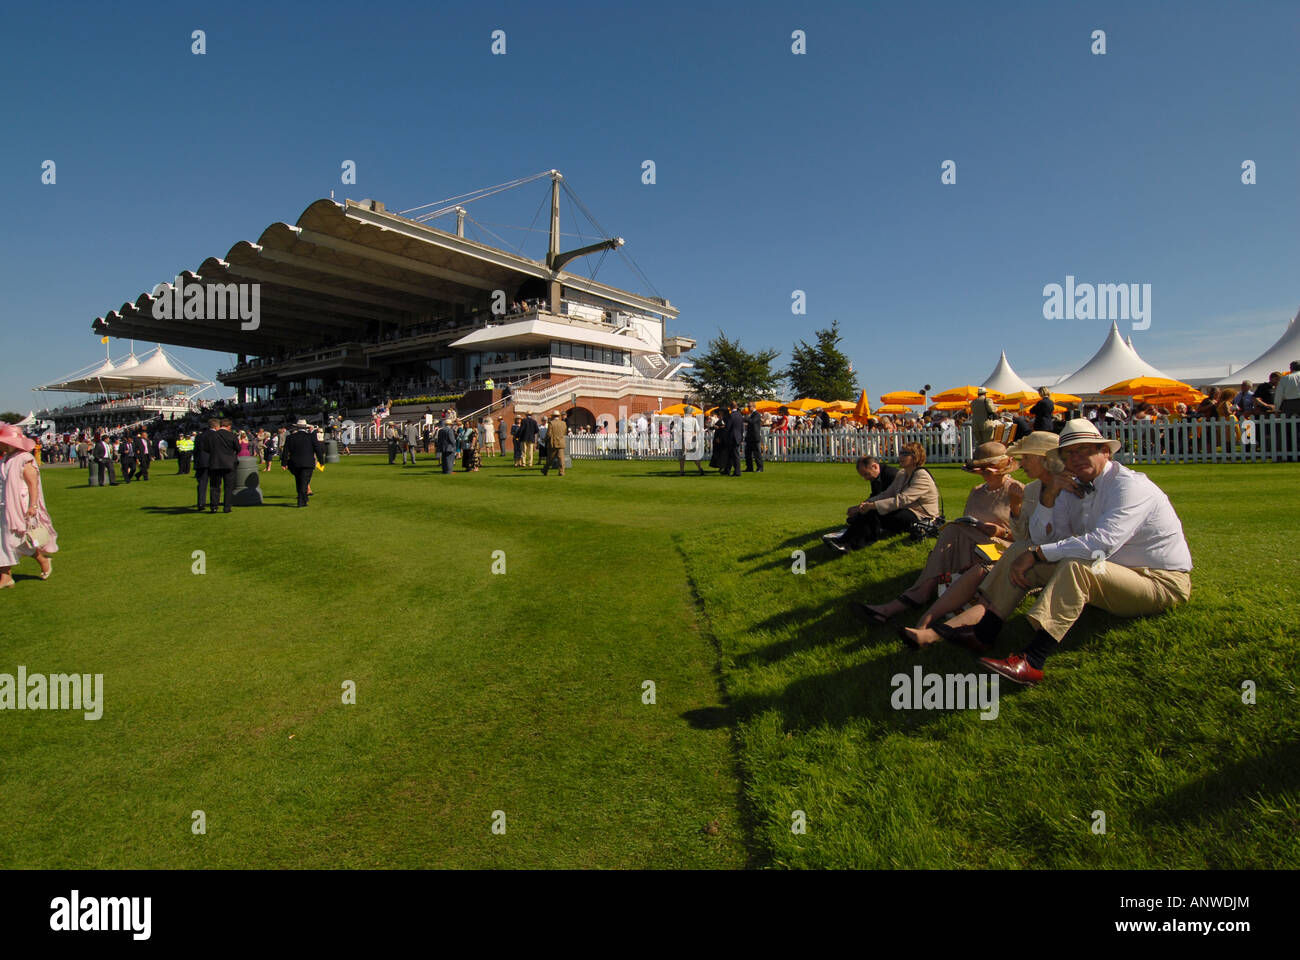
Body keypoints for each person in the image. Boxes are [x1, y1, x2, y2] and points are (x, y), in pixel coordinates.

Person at [927, 419, 1193, 685]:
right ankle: (984, 633)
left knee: (1075, 565)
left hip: (1159, 581)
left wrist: (1038, 554)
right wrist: (1049, 497)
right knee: (1023, 547)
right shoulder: (1069, 485)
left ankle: (1032, 660)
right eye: (1070, 453)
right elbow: (1046, 538)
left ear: (1106, 452)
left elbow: (1103, 543)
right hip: (1113, 570)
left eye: (1085, 450)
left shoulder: (1129, 485)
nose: (1077, 458)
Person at [853, 442, 1024, 625]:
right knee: (954, 529)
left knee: (953, 532)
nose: (983, 472)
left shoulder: (1016, 490)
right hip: (972, 544)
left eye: (987, 469)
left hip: (998, 547)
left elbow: (1025, 537)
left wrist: (999, 530)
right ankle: (913, 597)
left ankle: (914, 597)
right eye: (981, 469)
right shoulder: (976, 491)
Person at [826, 443, 941, 552]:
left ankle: (852, 545)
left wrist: (873, 506)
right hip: (906, 511)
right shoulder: (902, 474)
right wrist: (866, 503)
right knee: (869, 511)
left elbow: (903, 499)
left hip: (920, 516)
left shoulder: (922, 475)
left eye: (905, 454)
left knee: (875, 512)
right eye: (901, 453)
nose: (901, 456)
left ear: (915, 457)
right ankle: (844, 540)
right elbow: (887, 494)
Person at [0, 425, 58, 588]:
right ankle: (5, 576)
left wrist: (33, 505)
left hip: (20, 505)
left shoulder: (24, 459)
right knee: (4, 540)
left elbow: (33, 484)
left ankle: (42, 560)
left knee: (15, 539)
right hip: (4, 503)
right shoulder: (5, 459)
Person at [823, 456, 899, 552]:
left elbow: (891, 498)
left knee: (869, 512)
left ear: (875, 466)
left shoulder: (891, 475)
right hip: (892, 506)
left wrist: (864, 507)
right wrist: (860, 507)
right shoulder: (878, 476)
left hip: (901, 509)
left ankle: (852, 545)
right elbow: (876, 495)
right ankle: (843, 540)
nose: (865, 479)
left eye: (866, 474)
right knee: (859, 515)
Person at [281, 420, 326, 507]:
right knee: (305, 481)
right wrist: (321, 461)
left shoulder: (290, 437)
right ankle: (301, 501)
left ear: (297, 427)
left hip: (295, 463)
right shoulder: (311, 437)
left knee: (299, 480)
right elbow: (318, 450)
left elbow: (285, 451)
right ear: (305, 427)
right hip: (308, 463)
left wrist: (284, 463)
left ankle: (303, 497)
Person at [201, 418, 240, 513]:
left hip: (215, 463)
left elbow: (206, 448)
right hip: (229, 463)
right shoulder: (232, 435)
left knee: (214, 486)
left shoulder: (212, 436)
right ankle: (227, 507)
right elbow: (238, 448)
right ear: (229, 426)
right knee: (228, 486)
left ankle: (214, 506)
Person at [193, 419, 215, 507]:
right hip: (214, 462)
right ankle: (214, 504)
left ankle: (201, 503)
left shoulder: (199, 436)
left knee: (202, 484)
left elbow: (196, 451)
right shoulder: (216, 435)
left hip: (201, 462)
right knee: (215, 484)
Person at [541, 410, 567, 476]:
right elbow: (564, 432)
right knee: (561, 458)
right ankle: (561, 472)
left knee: (550, 458)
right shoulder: (563, 423)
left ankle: (545, 470)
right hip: (561, 442)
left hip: (553, 442)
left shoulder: (551, 423)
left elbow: (549, 434)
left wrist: (544, 439)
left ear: (553, 416)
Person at [722, 402, 744, 477]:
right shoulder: (740, 415)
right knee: (731, 455)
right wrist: (741, 437)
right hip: (738, 436)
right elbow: (742, 428)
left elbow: (728, 427)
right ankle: (727, 470)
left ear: (730, 407)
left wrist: (724, 435)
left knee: (734, 455)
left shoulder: (731, 416)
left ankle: (737, 471)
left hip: (731, 437)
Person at [744, 403, 764, 472]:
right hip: (749, 436)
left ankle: (760, 467)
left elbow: (752, 421)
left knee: (756, 453)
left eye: (749, 406)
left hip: (754, 436)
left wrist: (746, 418)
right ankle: (749, 467)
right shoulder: (751, 414)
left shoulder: (757, 414)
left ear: (753, 407)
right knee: (747, 453)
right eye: (748, 406)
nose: (748, 408)